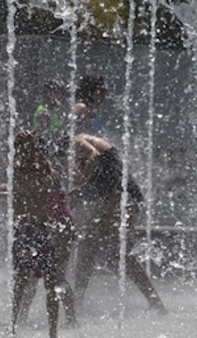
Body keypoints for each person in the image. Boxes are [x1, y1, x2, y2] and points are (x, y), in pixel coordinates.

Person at [70, 132, 165, 313]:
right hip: (117, 198)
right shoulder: (90, 146)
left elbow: (93, 156)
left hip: (121, 198)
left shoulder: (79, 140)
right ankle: (78, 301)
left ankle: (78, 302)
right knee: (99, 250)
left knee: (114, 252)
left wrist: (79, 186)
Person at [0, 131, 65, 338]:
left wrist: (32, 144)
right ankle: (12, 330)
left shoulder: (46, 171)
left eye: (34, 149)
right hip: (24, 230)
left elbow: (50, 176)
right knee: (21, 281)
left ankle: (53, 334)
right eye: (25, 148)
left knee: (52, 282)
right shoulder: (18, 171)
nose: (31, 153)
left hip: (42, 229)